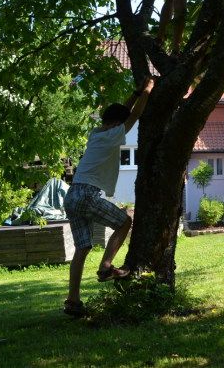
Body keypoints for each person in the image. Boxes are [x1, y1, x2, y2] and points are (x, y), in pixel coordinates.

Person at [62, 77, 154, 318]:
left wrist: (135, 94)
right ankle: (105, 267)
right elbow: (134, 115)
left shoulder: (96, 133)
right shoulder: (114, 134)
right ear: (116, 123)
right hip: (87, 194)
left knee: (82, 248)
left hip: (72, 195)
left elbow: (124, 112)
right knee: (124, 222)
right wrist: (147, 91)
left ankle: (73, 300)